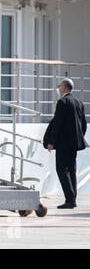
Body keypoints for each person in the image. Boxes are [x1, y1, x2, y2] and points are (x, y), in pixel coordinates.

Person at [45, 78, 87, 209]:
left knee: (61, 169)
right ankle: (72, 199)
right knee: (72, 170)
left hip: (63, 144)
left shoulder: (62, 102)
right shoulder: (78, 102)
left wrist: (52, 142)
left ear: (64, 87)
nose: (59, 88)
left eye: (60, 86)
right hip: (74, 143)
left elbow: (57, 124)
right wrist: (79, 137)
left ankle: (69, 199)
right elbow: (83, 124)